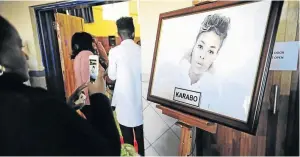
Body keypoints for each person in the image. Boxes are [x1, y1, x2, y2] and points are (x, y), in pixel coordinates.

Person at [0, 16, 120, 155]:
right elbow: (95, 79)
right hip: (91, 99)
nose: (25, 55)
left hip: (81, 98)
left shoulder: (77, 58)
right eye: (19, 46)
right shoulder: (91, 57)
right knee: (95, 133)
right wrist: (100, 95)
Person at [107, 17, 144, 156]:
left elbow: (112, 76)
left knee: (128, 141)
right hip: (140, 101)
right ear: (133, 33)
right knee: (141, 138)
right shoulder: (141, 50)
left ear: (119, 35)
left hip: (123, 102)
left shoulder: (114, 52)